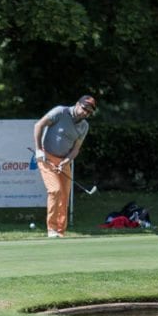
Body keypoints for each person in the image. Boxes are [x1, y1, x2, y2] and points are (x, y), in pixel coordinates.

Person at [33, 95, 96, 237]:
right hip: (46, 157)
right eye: (84, 108)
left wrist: (66, 161)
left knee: (64, 196)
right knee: (55, 190)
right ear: (77, 104)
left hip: (64, 161)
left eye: (89, 112)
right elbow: (39, 125)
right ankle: (52, 229)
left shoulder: (84, 126)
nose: (85, 112)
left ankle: (61, 232)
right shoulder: (60, 112)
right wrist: (38, 150)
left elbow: (76, 149)